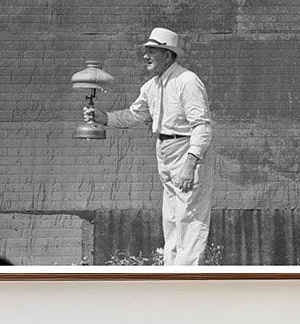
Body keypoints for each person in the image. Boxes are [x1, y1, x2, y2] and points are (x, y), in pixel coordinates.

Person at [85, 28, 215, 266]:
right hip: (164, 150)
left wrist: (190, 164)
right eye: (146, 51)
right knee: (172, 217)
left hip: (186, 150)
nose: (145, 56)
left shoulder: (187, 82)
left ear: (167, 55)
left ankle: (187, 279)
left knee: (190, 217)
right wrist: (103, 117)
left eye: (151, 50)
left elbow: (202, 127)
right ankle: (172, 275)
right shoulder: (151, 87)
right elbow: (134, 116)